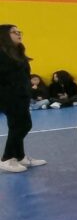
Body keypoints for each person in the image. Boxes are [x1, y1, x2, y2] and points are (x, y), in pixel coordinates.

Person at [0, 24, 46, 173]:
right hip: (8, 96)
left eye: (20, 31)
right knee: (22, 126)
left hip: (21, 95)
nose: (19, 34)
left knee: (18, 125)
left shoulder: (18, 52)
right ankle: (6, 159)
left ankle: (20, 157)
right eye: (14, 32)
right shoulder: (2, 54)